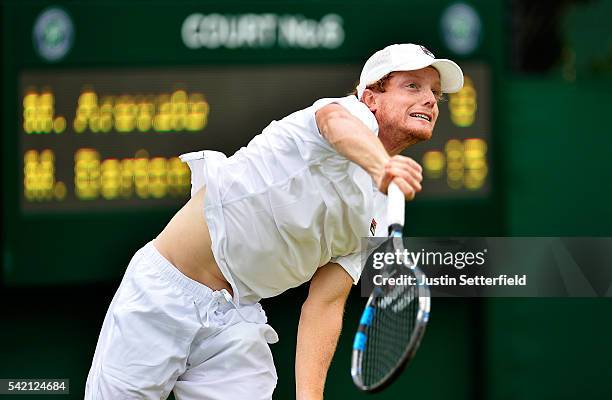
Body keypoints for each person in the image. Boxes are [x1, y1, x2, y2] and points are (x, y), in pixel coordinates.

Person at [85, 43, 463, 400]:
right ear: (370, 97)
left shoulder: (381, 209)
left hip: (235, 320)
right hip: (163, 293)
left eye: (434, 93)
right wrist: (382, 165)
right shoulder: (342, 114)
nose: (429, 99)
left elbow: (326, 303)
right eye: (411, 86)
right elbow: (336, 126)